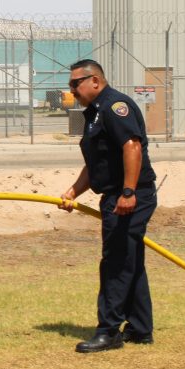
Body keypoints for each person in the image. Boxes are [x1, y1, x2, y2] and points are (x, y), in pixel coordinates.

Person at [60, 59, 157, 353]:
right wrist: (74, 191)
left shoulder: (115, 106)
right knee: (130, 261)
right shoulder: (94, 114)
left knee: (115, 263)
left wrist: (128, 192)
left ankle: (109, 331)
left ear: (95, 81)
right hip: (117, 195)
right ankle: (140, 329)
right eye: (70, 85)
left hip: (129, 196)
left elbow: (132, 147)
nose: (72, 90)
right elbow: (97, 164)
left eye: (75, 84)